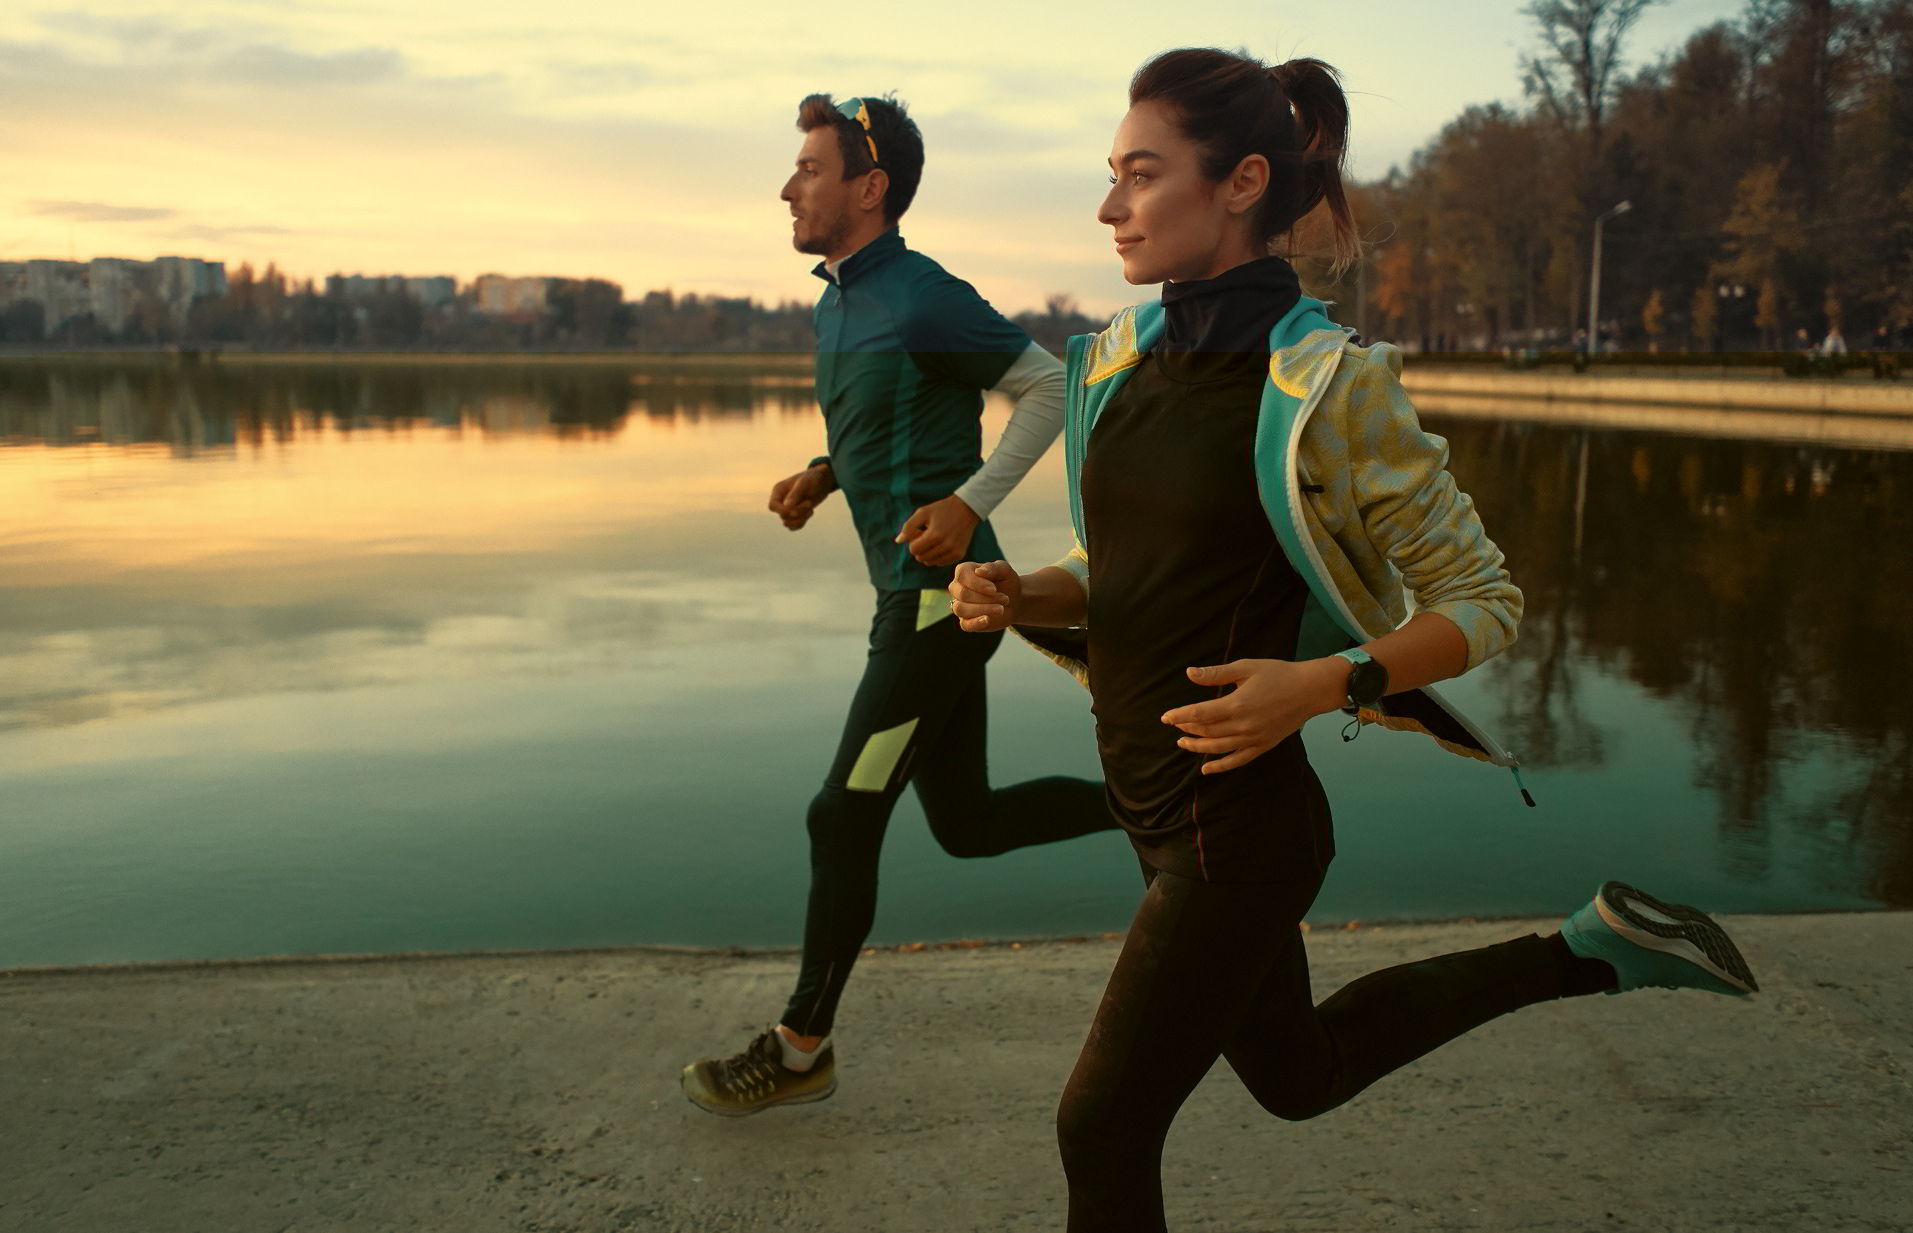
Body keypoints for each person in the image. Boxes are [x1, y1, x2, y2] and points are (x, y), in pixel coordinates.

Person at [946, 48, 1759, 1231]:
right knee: (1298, 1077)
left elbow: (1483, 599)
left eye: (1138, 174)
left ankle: (1585, 951)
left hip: (1236, 831)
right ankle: (1590, 948)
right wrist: (1025, 594)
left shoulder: (1329, 387)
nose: (1108, 206)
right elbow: (1115, 571)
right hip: (1148, 802)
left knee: (1099, 1126)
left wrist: (1324, 683)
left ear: (1240, 184)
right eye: (1109, 176)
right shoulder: (1110, 367)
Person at [679, 92, 1117, 1117]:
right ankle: (1157, 807)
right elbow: (895, 416)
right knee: (965, 824)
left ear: (867, 189)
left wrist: (969, 505)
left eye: (810, 169)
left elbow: (1049, 386)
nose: (788, 186)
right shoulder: (837, 299)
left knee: (840, 816)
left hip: (937, 606)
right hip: (909, 602)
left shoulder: (920, 293)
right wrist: (824, 471)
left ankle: (798, 1049)